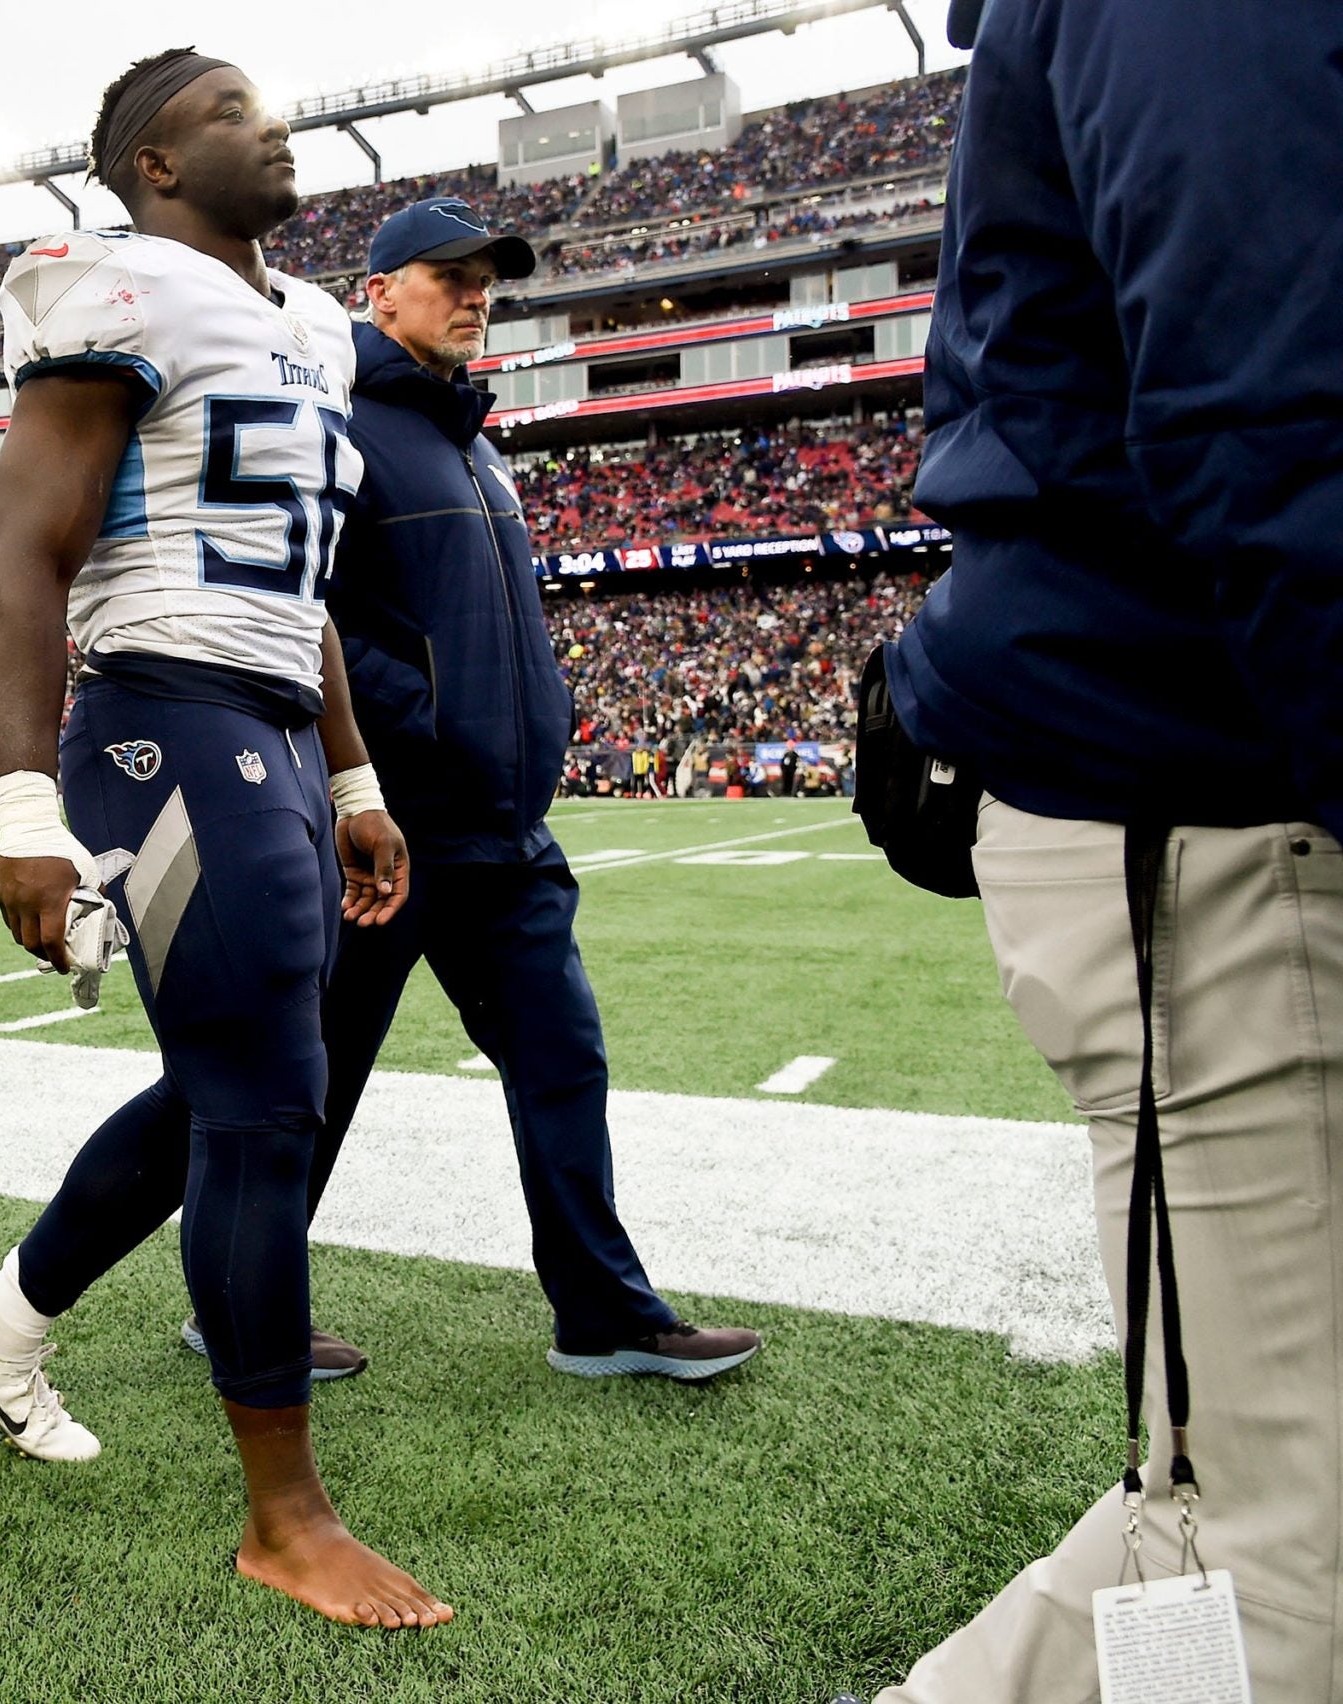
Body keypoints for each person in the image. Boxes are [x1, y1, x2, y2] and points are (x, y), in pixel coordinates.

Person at [0, 50, 451, 1630]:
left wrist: (352, 781)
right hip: (162, 719)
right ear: (152, 163)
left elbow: (305, 588)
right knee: (269, 1103)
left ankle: (0, 1327)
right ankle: (284, 1518)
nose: (269, 125)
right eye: (228, 112)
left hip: (276, 721)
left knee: (228, 1083)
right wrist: (26, 807)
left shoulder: (313, 332)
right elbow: (29, 550)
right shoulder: (113, 286)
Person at [842, 3, 1343, 1699]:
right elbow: (1273, 408)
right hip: (1214, 784)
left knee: (1257, 1515)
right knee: (1281, 1551)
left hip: (1207, 770)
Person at [275, 198, 758, 1387]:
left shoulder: (478, 447)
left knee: (561, 1055)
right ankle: (248, 1302)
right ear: (378, 290)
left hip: (504, 823)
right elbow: (310, 613)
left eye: (487, 280)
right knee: (315, 1077)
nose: (476, 295)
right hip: (391, 826)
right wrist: (407, 740)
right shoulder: (332, 425)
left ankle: (599, 1310)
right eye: (450, 276)